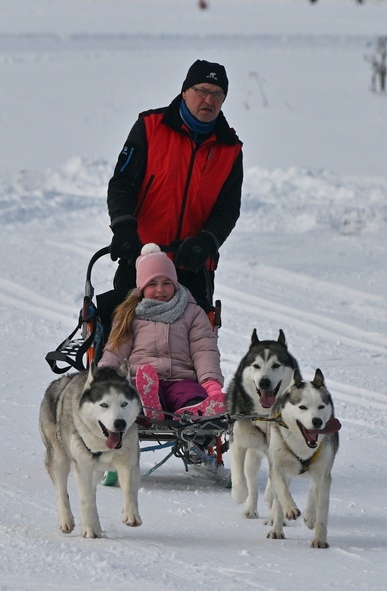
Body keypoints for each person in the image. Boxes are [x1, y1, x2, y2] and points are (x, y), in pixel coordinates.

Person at [103, 59, 243, 320]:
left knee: (190, 347)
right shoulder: (150, 127)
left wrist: (207, 241)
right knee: (125, 340)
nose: (209, 100)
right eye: (202, 90)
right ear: (185, 91)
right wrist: (123, 227)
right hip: (141, 257)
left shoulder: (231, 149)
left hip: (193, 265)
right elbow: (122, 184)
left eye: (217, 94)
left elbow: (228, 209)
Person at [98, 243, 226, 419]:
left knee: (191, 394)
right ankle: (147, 406)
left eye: (167, 283)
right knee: (133, 392)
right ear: (141, 288)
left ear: (175, 284)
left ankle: (193, 410)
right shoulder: (130, 314)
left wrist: (210, 383)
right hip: (140, 379)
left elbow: (204, 350)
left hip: (181, 379)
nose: (160, 289)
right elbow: (116, 351)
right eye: (152, 283)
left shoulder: (192, 312)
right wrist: (104, 374)